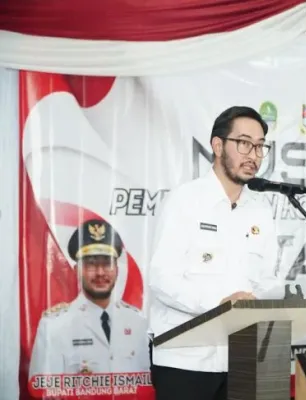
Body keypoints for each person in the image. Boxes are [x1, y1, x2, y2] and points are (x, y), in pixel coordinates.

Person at [148, 106, 283, 400]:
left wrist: (261, 300)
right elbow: (162, 278)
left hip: (244, 358)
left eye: (260, 146)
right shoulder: (184, 201)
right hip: (186, 360)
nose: (254, 155)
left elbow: (268, 279)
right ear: (218, 145)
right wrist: (219, 305)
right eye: (244, 143)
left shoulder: (261, 210)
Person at [29, 220, 150, 377]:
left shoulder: (136, 323)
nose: (100, 272)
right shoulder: (54, 327)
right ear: (77, 270)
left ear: (117, 270)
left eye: (107, 264)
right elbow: (44, 389)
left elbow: (145, 385)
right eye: (91, 264)